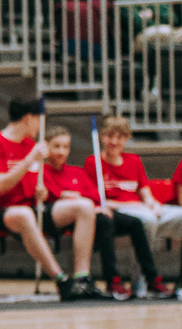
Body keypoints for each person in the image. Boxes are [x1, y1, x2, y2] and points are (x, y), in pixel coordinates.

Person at [0, 98, 102, 300]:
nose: (40, 126)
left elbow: (35, 183)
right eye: (39, 120)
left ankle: (82, 278)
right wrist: (29, 159)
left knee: (84, 206)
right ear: (29, 118)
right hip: (2, 211)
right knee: (24, 214)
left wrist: (42, 192)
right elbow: (0, 186)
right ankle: (61, 279)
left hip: (32, 207)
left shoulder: (31, 145)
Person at [44, 125, 173, 299]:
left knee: (135, 223)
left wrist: (96, 205)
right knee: (106, 222)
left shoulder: (76, 172)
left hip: (94, 214)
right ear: (46, 147)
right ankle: (112, 280)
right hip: (69, 221)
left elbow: (94, 195)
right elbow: (49, 196)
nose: (61, 151)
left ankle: (151, 278)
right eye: (56, 146)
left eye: (65, 147)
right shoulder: (42, 172)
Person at [87, 115, 182, 264]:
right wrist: (136, 206)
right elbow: (98, 201)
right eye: (110, 136)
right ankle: (144, 275)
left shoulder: (134, 160)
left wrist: (153, 204)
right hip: (119, 212)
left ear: (126, 139)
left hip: (141, 208)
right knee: (148, 220)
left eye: (120, 137)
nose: (114, 142)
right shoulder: (93, 162)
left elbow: (145, 192)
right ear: (102, 136)